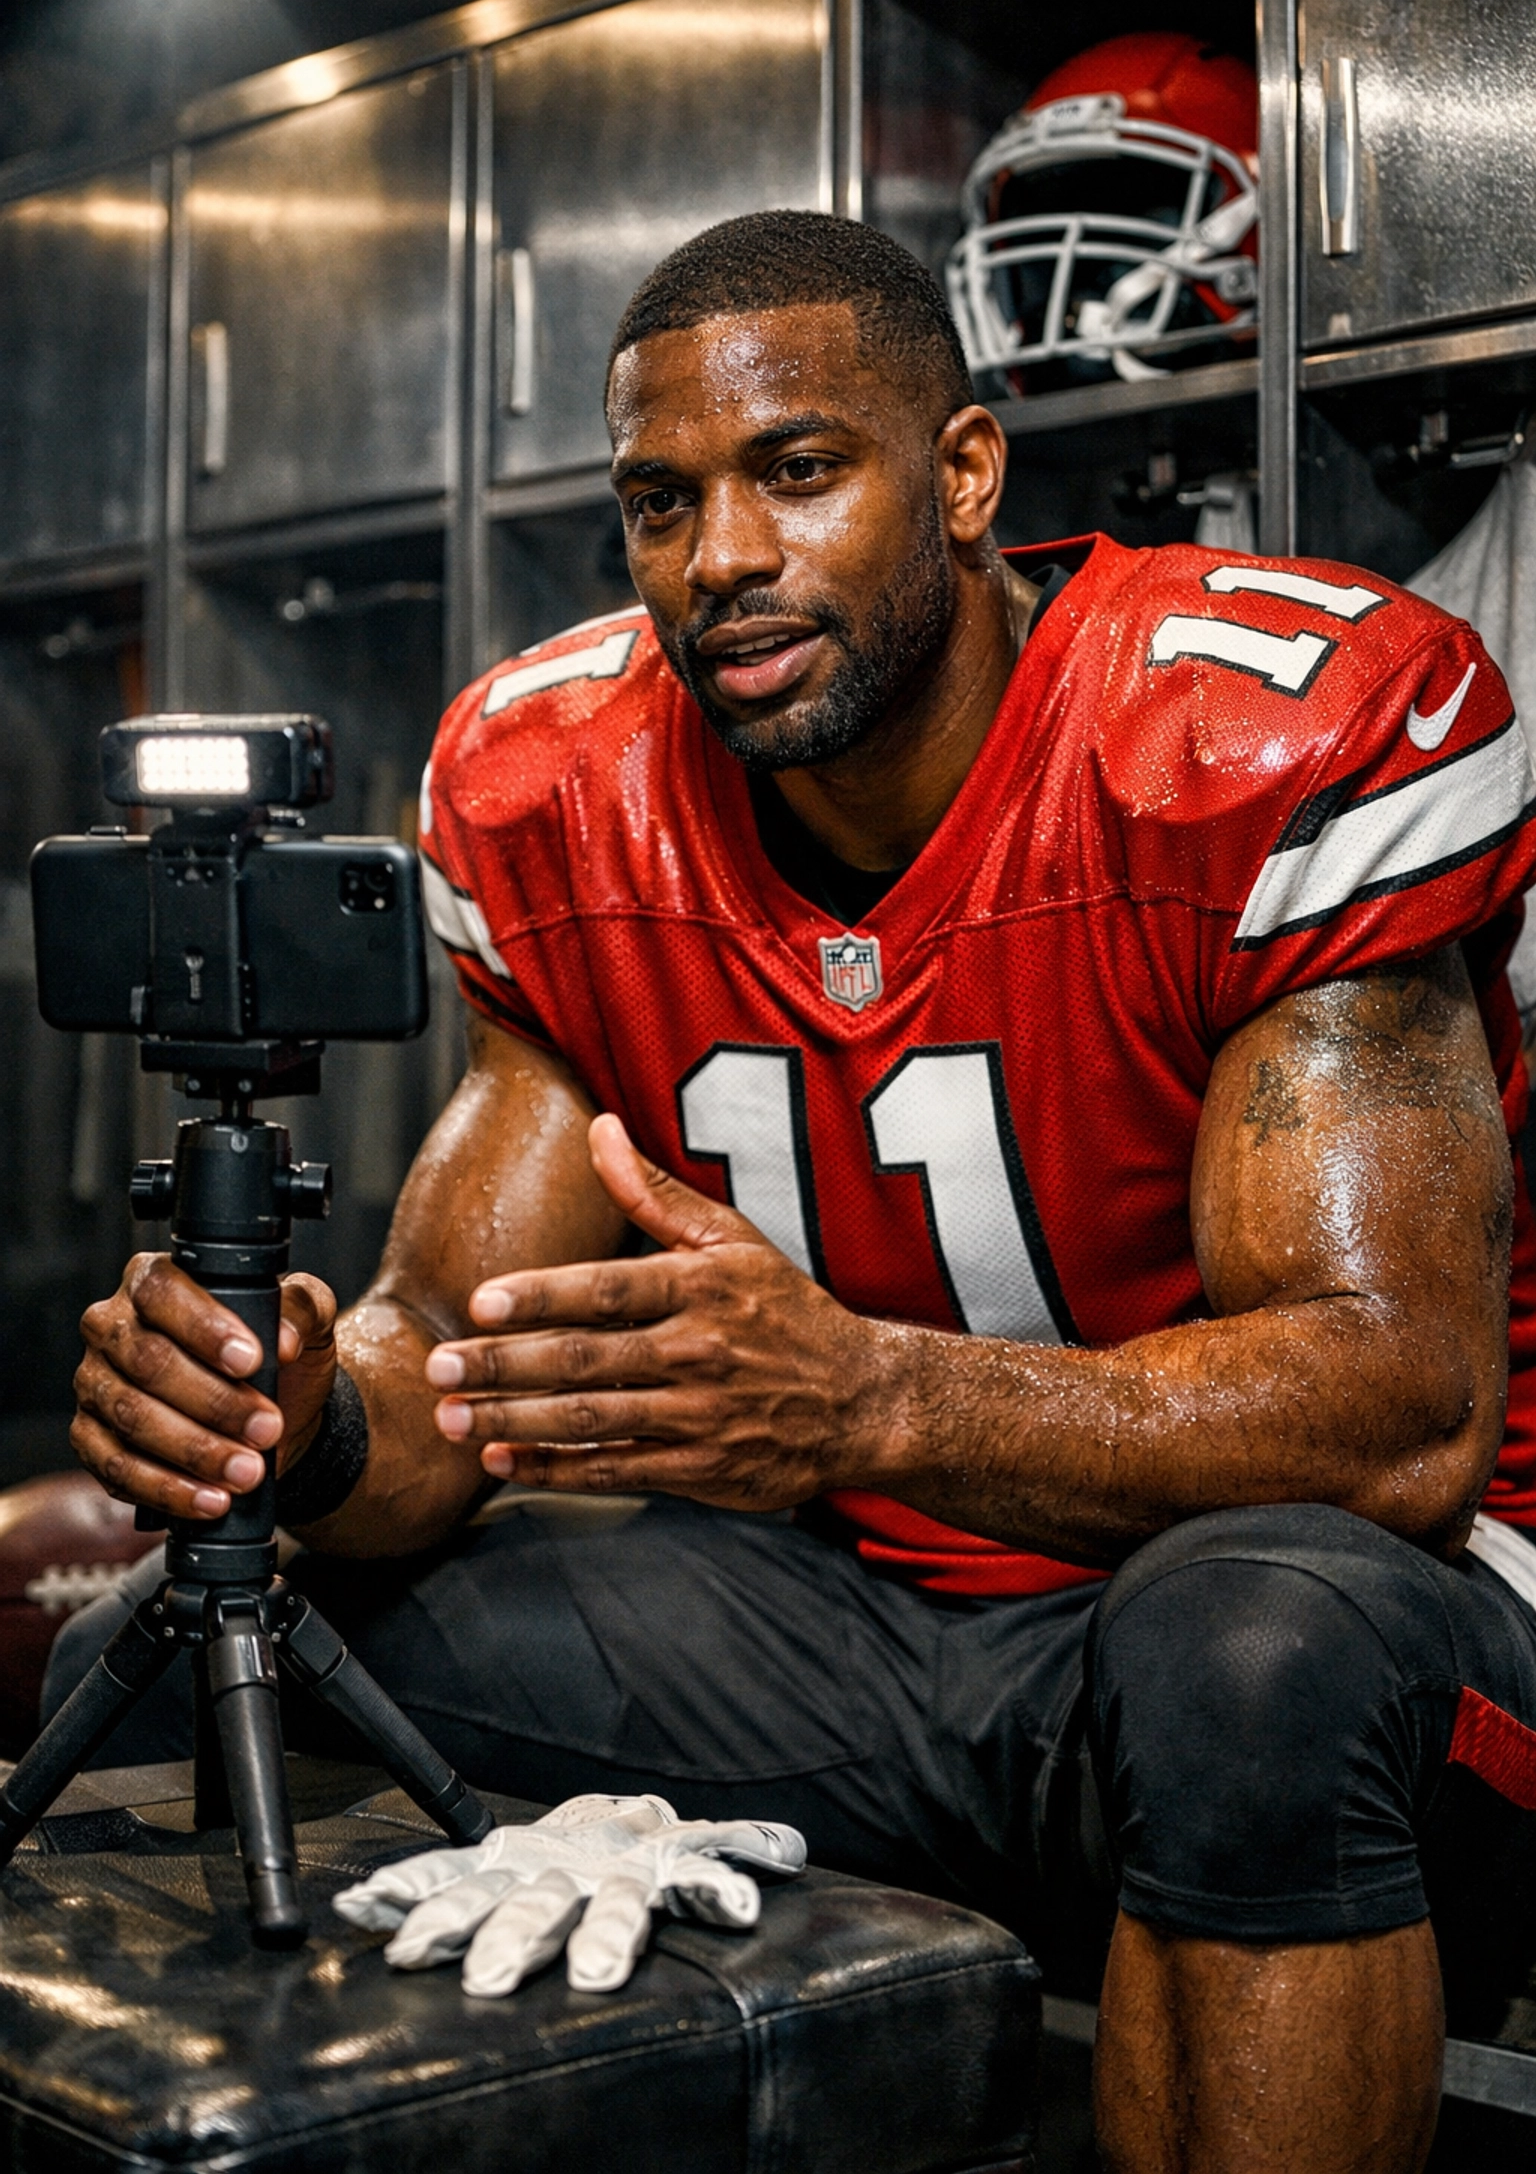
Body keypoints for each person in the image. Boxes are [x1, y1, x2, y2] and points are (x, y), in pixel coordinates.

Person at [51, 210, 1536, 2174]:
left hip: (1319, 1623)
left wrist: (874, 1399)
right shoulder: (561, 777)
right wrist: (301, 1413)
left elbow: (1400, 1417)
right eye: (658, 503)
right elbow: (449, 1375)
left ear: (968, 473)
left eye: (797, 470)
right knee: (158, 1640)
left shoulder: (1243, 732)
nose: (721, 559)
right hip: (865, 1625)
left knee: (1248, 1661)